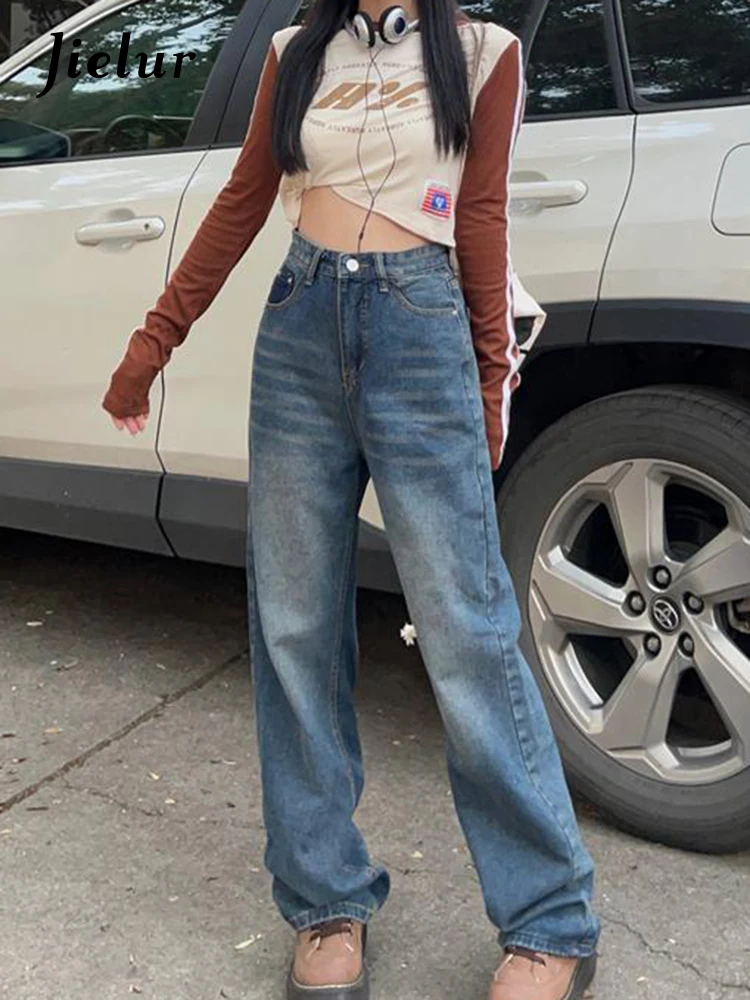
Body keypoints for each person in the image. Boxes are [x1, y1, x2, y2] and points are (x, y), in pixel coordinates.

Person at [101, 0, 601, 996]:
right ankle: (326, 899)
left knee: (467, 631)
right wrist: (153, 344)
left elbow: (482, 215)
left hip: (421, 328)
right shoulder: (295, 51)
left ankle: (550, 917)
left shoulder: (483, 53)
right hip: (300, 322)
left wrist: (488, 380)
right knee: (293, 625)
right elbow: (244, 199)